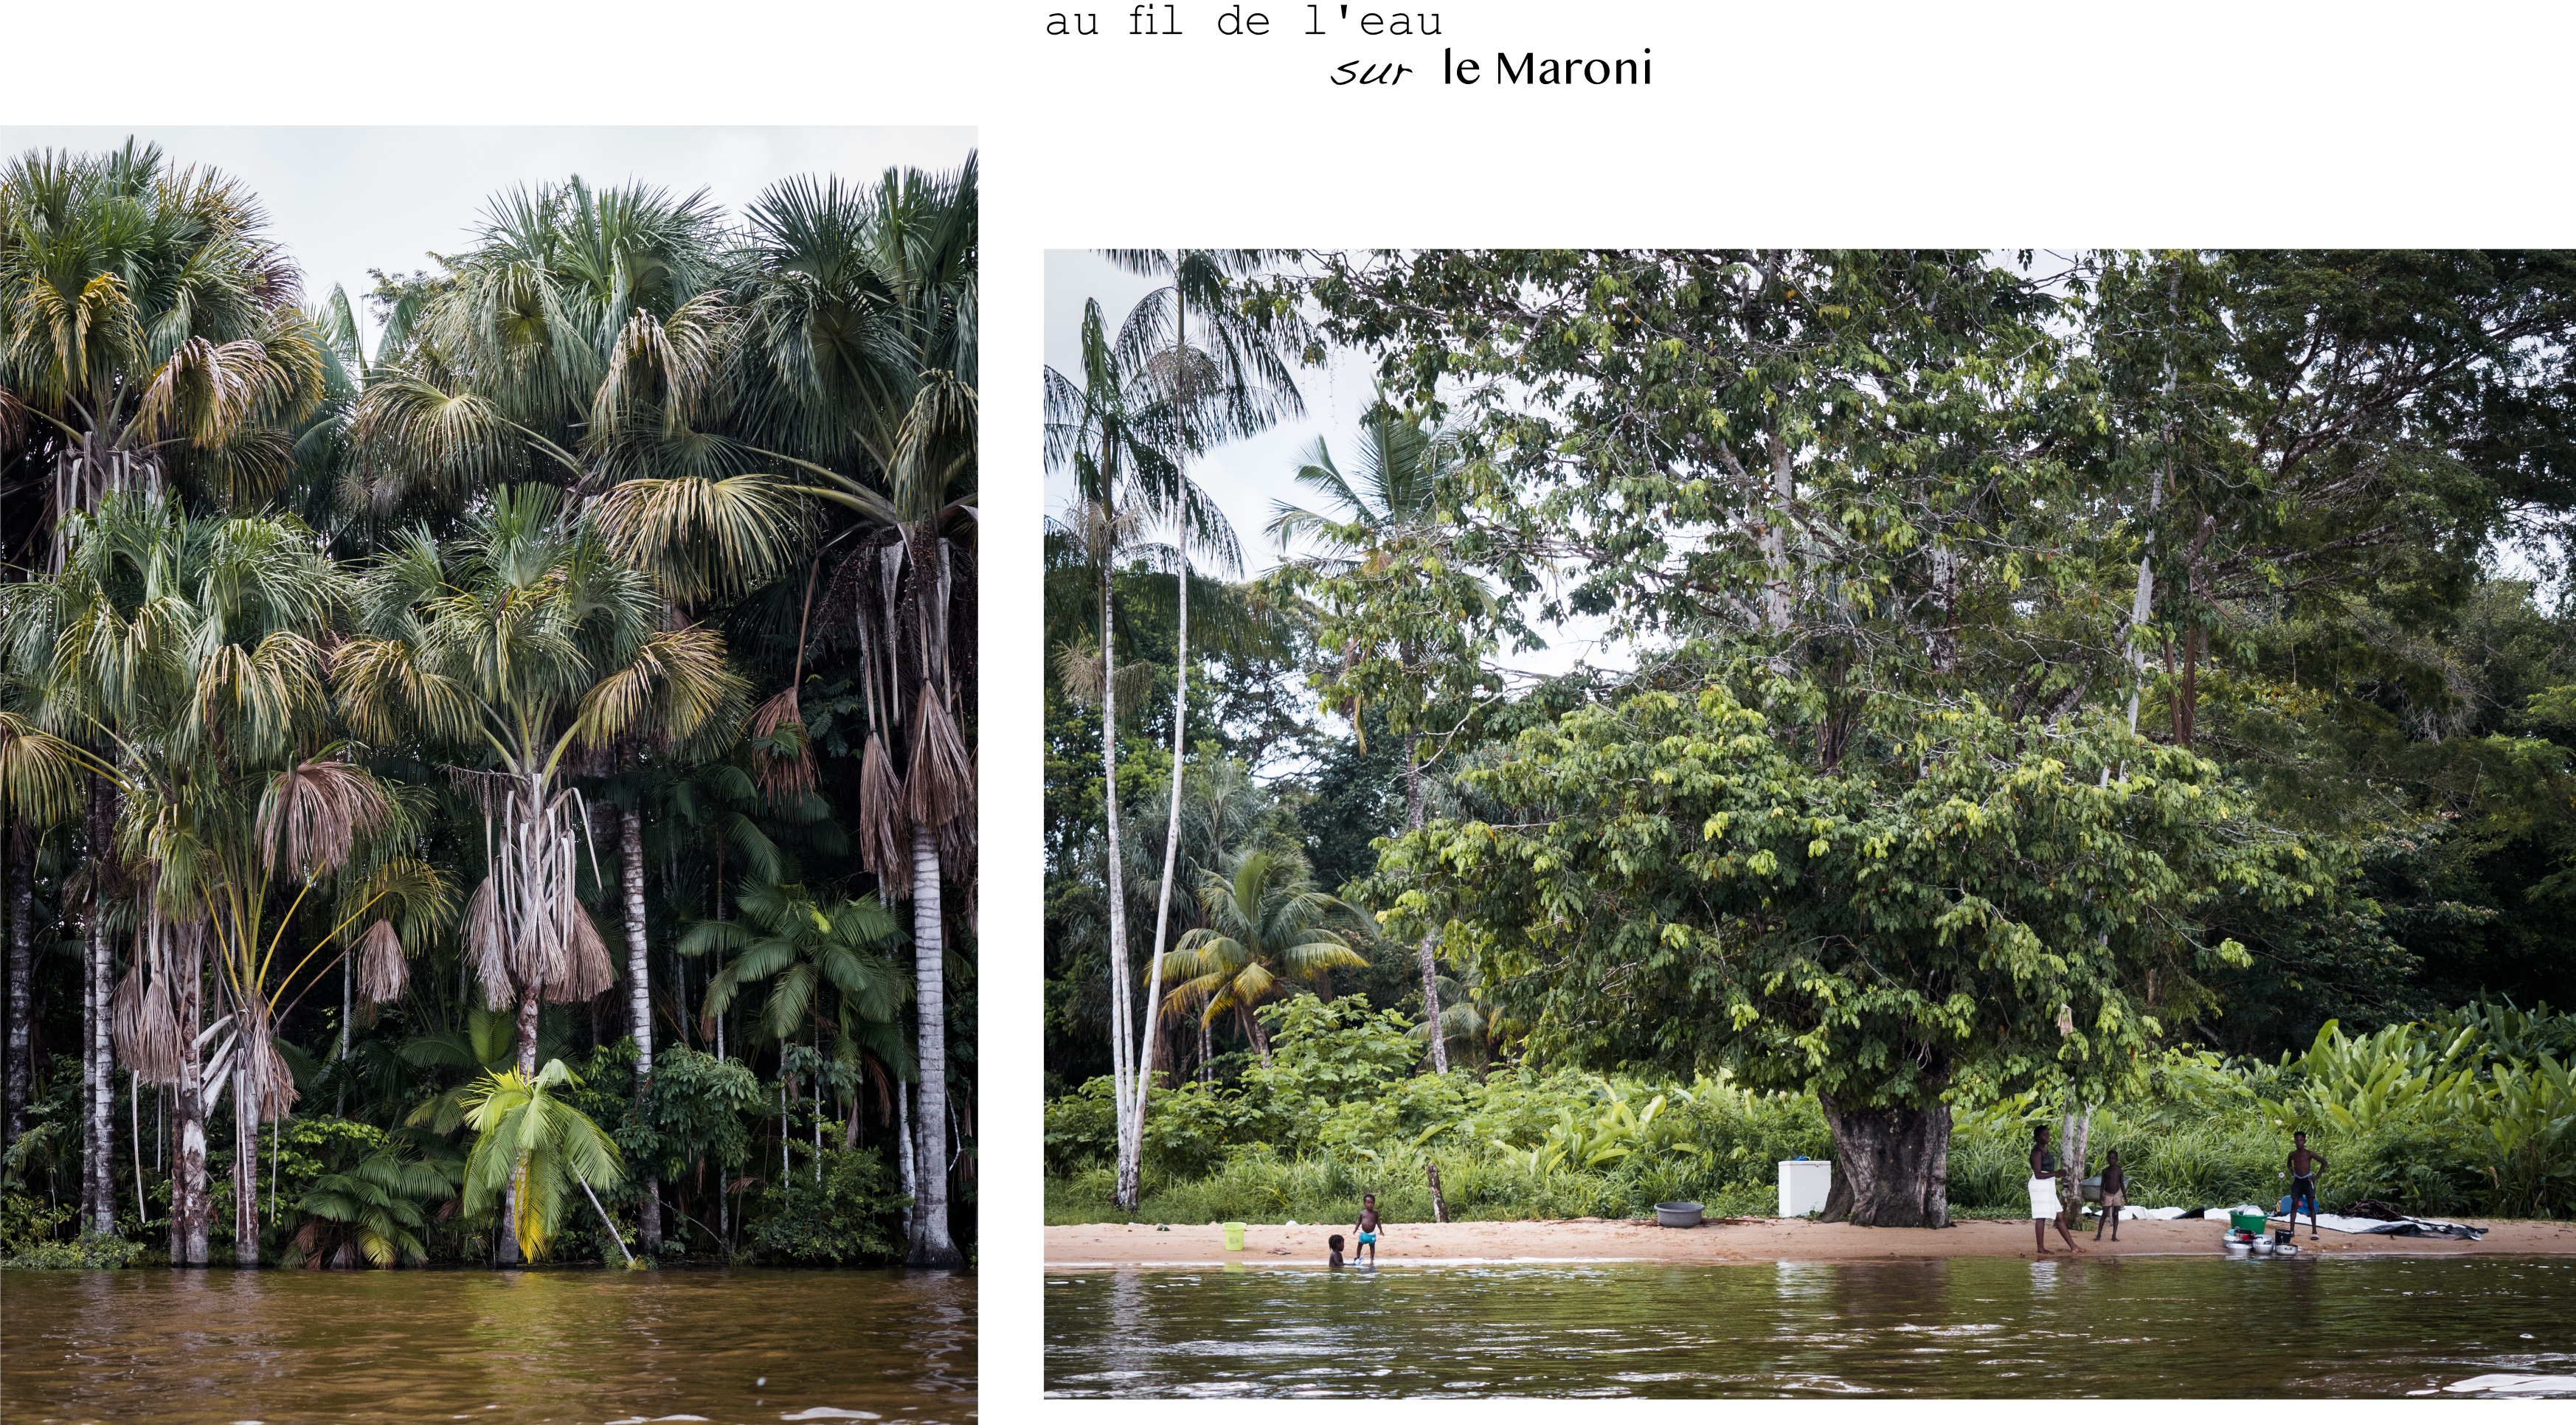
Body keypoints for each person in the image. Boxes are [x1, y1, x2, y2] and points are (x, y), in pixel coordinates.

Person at [2029, 1124, 2082, 1255]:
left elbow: (2045, 1172)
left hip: (2047, 1185)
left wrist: (2053, 1177)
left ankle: (2073, 1247)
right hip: (2039, 1186)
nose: (2047, 1137)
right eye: (2044, 1135)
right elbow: (2038, 1174)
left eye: (2048, 1134)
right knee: (2041, 1217)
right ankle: (2040, 1248)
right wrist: (2056, 1174)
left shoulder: (2045, 1150)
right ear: (2037, 1138)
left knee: (2059, 1215)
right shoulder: (2036, 1152)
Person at [2284, 1131, 2327, 1240]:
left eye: (2301, 1140)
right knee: (2294, 1204)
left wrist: (2317, 1176)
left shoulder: (2309, 1154)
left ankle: (2314, 1231)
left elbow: (2324, 1162)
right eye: (2297, 1140)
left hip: (2308, 1180)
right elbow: (2289, 1164)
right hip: (2297, 1180)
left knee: (2311, 1205)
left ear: (2305, 1141)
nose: (2299, 1142)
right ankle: (2291, 1231)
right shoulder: (2292, 1154)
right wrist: (2291, 1171)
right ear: (2294, 1141)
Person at [2094, 1148, 2127, 1243]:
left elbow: (2122, 1185)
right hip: (2107, 1194)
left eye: (2113, 1158)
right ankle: (2099, 1234)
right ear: (2107, 1160)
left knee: (2116, 1214)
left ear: (2117, 1160)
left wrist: (2125, 1196)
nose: (2111, 1160)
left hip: (2117, 1193)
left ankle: (2114, 1236)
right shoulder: (2105, 1171)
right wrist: (2101, 1196)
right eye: (2110, 1158)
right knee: (2104, 1214)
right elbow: (2102, 1184)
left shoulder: (2120, 1171)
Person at [1352, 1193, 1382, 1265]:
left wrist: (1381, 1230)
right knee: (1360, 1244)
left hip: (1372, 1233)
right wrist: (1356, 1229)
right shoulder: (1362, 1213)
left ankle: (1372, 1257)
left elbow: (1378, 1221)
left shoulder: (1375, 1213)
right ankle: (1358, 1256)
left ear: (1374, 1204)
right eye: (1368, 1203)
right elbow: (1359, 1221)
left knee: (1372, 1246)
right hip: (1363, 1233)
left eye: (1372, 1203)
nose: (1370, 1204)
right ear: (1364, 1204)